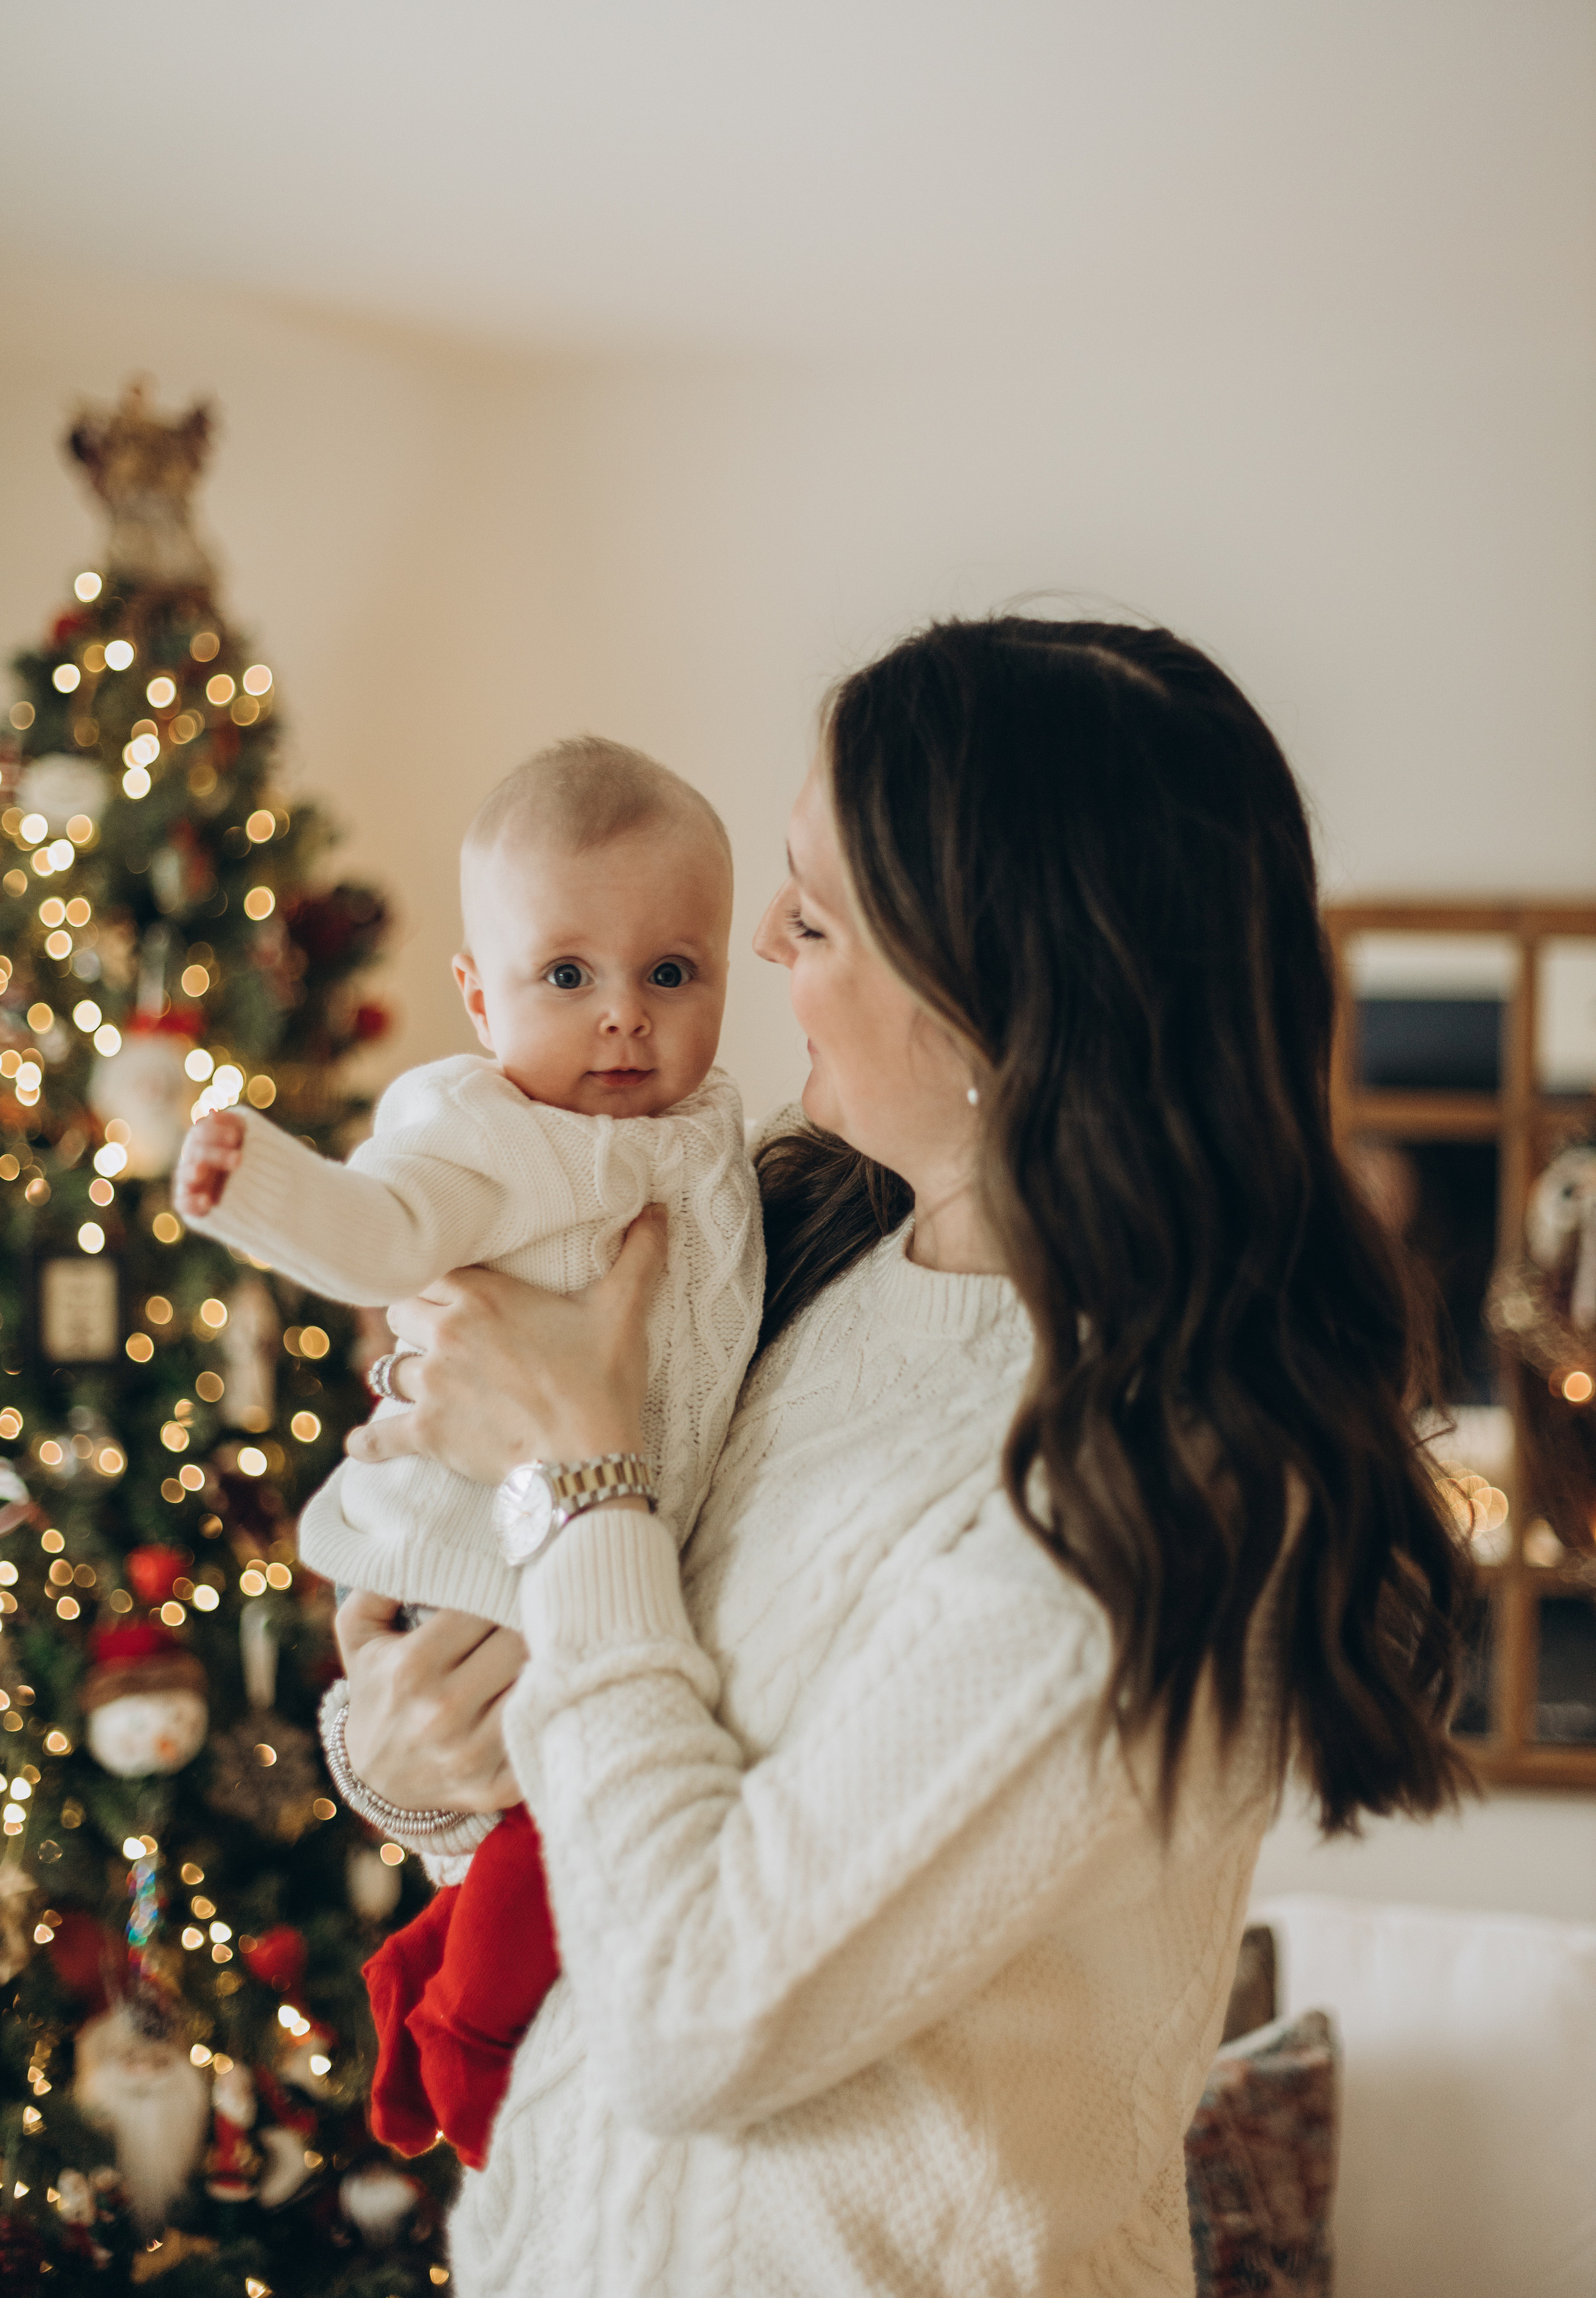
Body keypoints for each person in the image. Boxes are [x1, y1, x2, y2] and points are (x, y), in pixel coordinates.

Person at [334, 617, 1470, 2297]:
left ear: (997, 980)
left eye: (821, 908)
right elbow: (621, 1807)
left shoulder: (1152, 1478)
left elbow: (698, 2019)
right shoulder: (791, 1259)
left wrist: (581, 1475)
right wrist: (419, 1764)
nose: (769, 947)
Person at [173, 734, 764, 2168]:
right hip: (475, 1548)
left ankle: (430, 1986)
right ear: (477, 993)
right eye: (567, 977)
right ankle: (470, 2058)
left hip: (594, 1535)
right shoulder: (480, 1130)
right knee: (548, 1841)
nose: (622, 1019)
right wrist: (257, 1183)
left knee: (562, 1834)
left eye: (669, 973)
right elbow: (381, 1232)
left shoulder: (717, 1136)